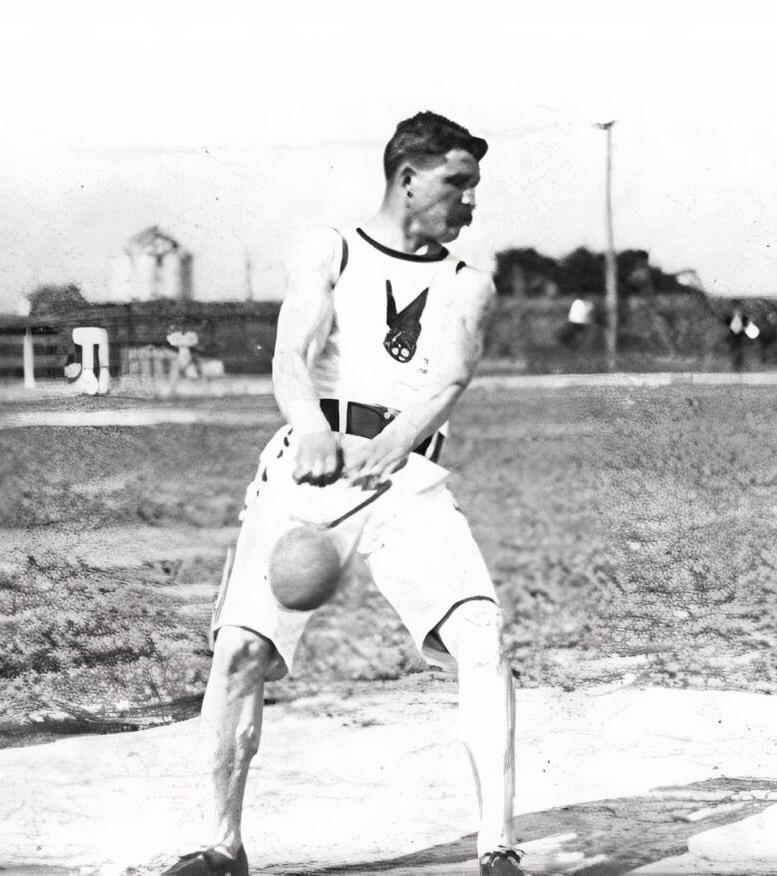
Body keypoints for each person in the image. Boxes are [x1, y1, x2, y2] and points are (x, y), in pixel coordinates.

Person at [164, 111, 526, 876]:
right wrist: (309, 427)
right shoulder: (329, 247)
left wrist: (390, 448)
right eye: (457, 184)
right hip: (308, 472)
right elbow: (294, 351)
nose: (469, 203)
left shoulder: (470, 283)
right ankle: (220, 847)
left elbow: (450, 380)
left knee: (482, 636)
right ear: (407, 178)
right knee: (239, 652)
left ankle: (497, 848)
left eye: (474, 188)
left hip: (408, 481)